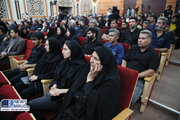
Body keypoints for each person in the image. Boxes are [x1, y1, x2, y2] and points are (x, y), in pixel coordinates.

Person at [55, 45, 121, 120]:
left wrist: (90, 80)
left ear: (104, 62)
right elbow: (75, 90)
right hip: (76, 109)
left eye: (95, 58)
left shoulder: (111, 81)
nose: (91, 61)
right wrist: (81, 96)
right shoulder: (89, 69)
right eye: (91, 56)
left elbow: (93, 103)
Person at [28, 40, 86, 119]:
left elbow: (77, 89)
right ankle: (7, 107)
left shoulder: (81, 67)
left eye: (65, 49)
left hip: (64, 99)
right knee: (30, 105)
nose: (62, 52)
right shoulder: (64, 62)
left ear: (73, 51)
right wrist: (54, 86)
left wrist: (59, 91)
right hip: (54, 92)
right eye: (63, 49)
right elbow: (56, 76)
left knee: (30, 104)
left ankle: (7, 107)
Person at [121, 30, 159, 105]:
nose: (140, 40)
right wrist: (124, 71)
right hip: (126, 74)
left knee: (129, 100)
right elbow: (124, 60)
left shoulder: (153, 54)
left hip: (138, 78)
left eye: (143, 38)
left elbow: (151, 71)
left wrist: (136, 76)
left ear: (149, 41)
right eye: (139, 38)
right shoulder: (133, 48)